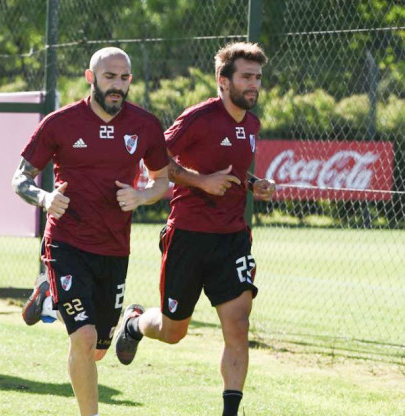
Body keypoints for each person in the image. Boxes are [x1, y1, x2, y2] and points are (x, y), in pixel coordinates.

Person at [113, 42, 276, 416]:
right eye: (247, 77)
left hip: (232, 239)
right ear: (223, 80)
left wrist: (253, 184)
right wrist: (201, 181)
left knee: (238, 324)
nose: (254, 85)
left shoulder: (252, 124)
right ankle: (136, 324)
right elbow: (156, 162)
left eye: (258, 78)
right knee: (173, 332)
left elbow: (233, 170)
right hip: (187, 237)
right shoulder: (198, 118)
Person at [12, 47, 169, 416]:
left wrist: (142, 196)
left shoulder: (145, 125)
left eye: (124, 77)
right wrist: (45, 197)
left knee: (98, 349)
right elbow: (20, 178)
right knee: (82, 339)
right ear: (91, 77)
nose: (117, 85)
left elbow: (162, 180)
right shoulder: (60, 123)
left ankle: (50, 291)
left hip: (114, 248)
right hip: (66, 241)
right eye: (109, 77)